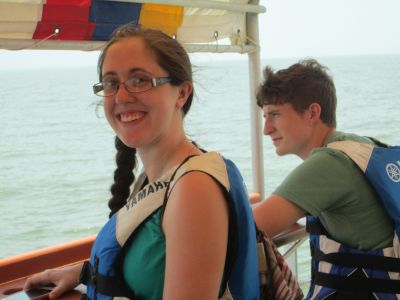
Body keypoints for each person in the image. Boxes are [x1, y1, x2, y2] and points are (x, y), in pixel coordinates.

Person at [24, 25, 260, 300]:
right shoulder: (157, 180)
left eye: (140, 80)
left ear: (182, 93)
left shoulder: (194, 189)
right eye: (111, 83)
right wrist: (85, 274)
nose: (122, 97)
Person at [252, 59, 400, 299]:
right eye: (265, 117)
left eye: (275, 115)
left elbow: (246, 226)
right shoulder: (359, 146)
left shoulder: (329, 164)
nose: (266, 129)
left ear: (312, 112)